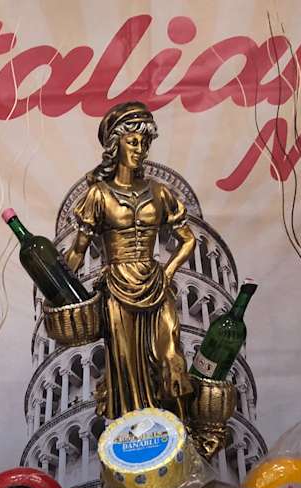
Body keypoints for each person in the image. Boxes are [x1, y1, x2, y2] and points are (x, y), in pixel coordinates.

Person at [64, 101, 196, 419]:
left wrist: (168, 272)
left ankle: (179, 431)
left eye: (144, 142)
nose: (139, 149)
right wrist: (58, 288)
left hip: (155, 284)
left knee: (171, 358)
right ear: (116, 145)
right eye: (132, 141)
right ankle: (134, 432)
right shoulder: (98, 195)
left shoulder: (159, 192)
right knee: (125, 368)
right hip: (117, 289)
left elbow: (188, 239)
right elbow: (78, 250)